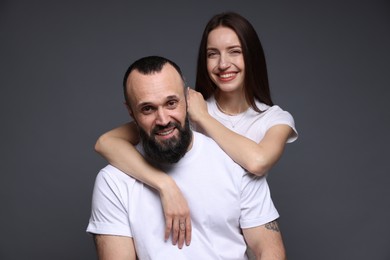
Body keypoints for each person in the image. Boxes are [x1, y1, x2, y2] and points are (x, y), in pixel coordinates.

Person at [94, 12, 298, 249]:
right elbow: (106, 142)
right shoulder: (175, 111)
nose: (223, 64)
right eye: (213, 54)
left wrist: (201, 115)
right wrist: (165, 184)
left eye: (235, 51)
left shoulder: (272, 118)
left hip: (246, 236)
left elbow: (257, 161)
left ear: (251, 56)